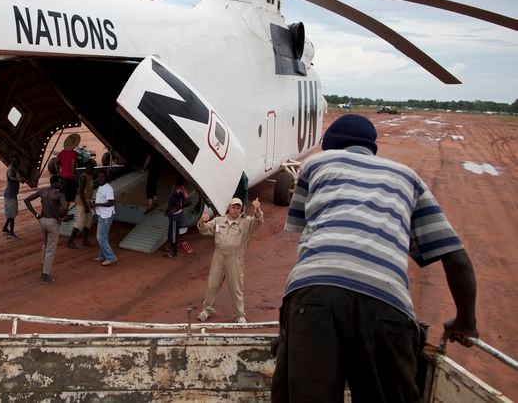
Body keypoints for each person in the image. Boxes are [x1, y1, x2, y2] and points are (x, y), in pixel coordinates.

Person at [271, 114, 478, 403]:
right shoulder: (408, 177)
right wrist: (466, 322)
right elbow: (456, 259)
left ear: (328, 147)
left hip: (314, 293)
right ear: (372, 148)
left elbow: (307, 242)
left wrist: (291, 331)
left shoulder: (316, 164)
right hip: (387, 303)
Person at [196, 197, 263, 323]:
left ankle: (239, 315)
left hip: (235, 258)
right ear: (228, 208)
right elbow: (205, 230)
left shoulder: (246, 222)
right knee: (212, 285)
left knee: (236, 287)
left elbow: (258, 221)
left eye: (238, 208)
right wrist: (202, 221)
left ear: (241, 210)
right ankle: (206, 310)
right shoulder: (218, 220)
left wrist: (257, 209)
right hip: (219, 256)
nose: (235, 210)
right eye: (233, 207)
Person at [24, 175, 67, 283]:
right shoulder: (59, 194)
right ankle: (45, 274)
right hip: (53, 222)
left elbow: (27, 200)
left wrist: (36, 214)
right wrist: (61, 216)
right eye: (60, 182)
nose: (61, 184)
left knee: (45, 245)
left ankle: (43, 267)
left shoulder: (43, 191)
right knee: (50, 250)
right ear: (55, 183)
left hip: (43, 221)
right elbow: (65, 208)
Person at [66, 159, 95, 249]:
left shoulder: (91, 176)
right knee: (79, 223)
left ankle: (85, 240)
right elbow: (81, 192)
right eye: (88, 168)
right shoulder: (83, 177)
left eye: (91, 168)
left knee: (88, 222)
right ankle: (69, 241)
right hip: (82, 202)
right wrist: (86, 206)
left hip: (88, 201)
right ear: (85, 168)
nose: (89, 169)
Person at [93, 170, 118, 265]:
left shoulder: (108, 188)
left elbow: (111, 202)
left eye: (102, 177)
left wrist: (98, 204)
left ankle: (111, 257)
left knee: (100, 237)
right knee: (103, 236)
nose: (100, 179)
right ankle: (102, 255)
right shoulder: (101, 186)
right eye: (99, 177)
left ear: (106, 178)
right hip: (102, 214)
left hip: (107, 215)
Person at [164, 176, 190, 260]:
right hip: (174, 213)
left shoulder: (178, 190)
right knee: (172, 231)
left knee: (174, 233)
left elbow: (188, 202)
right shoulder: (180, 189)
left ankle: (174, 253)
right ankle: (171, 247)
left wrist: (180, 207)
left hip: (175, 214)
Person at [56, 133, 80, 211]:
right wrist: (73, 174)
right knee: (68, 198)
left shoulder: (62, 152)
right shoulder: (74, 154)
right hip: (69, 178)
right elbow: (73, 165)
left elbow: (55, 161)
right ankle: (64, 214)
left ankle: (59, 212)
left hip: (62, 177)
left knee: (62, 195)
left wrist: (57, 170)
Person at [2, 155, 23, 240]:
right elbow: (10, 177)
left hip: (12, 194)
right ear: (11, 161)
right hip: (10, 195)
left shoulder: (15, 168)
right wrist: (19, 180)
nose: (16, 162)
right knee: (12, 215)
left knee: (11, 214)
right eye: (14, 161)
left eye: (17, 161)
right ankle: (11, 232)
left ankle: (5, 228)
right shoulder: (11, 169)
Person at [143, 148, 165, 213]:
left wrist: (144, 167)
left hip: (153, 168)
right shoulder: (161, 147)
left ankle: (150, 204)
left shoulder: (152, 147)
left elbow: (148, 158)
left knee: (149, 185)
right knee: (154, 183)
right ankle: (155, 200)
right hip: (159, 168)